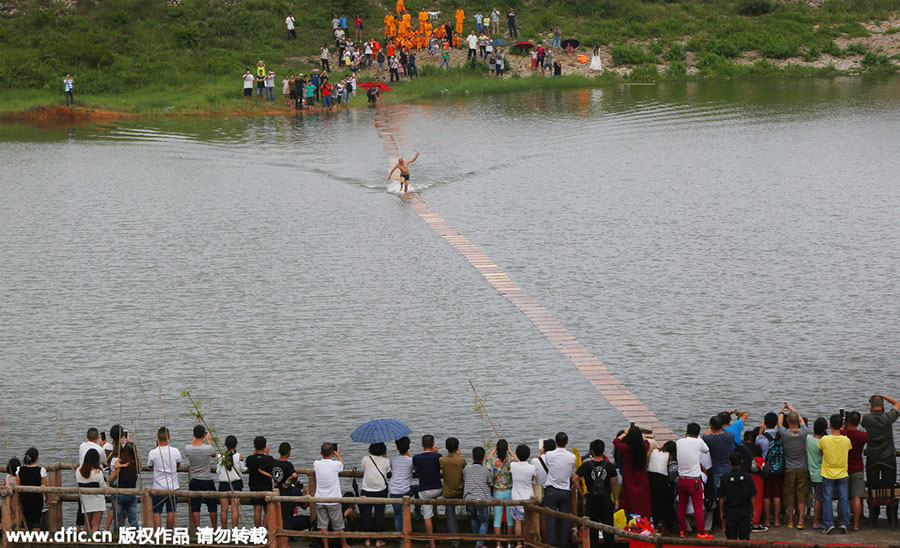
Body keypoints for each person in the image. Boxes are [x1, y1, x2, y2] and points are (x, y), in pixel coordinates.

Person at [861, 394, 899, 521]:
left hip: (872, 456)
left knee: (872, 486)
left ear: (871, 406)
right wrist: (884, 396)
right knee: (890, 486)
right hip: (888, 456)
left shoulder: (866, 418)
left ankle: (873, 514)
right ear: (882, 405)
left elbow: (864, 424)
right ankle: (891, 516)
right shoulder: (888, 418)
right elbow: (898, 404)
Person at [574, 440, 617, 548]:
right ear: (603, 450)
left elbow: (574, 478)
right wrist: (616, 499)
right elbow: (613, 485)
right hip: (606, 499)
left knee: (592, 528)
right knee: (608, 528)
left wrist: (582, 492)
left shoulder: (587, 465)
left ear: (591, 451)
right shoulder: (609, 466)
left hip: (592, 499)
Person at [676, 423, 712, 539]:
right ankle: (701, 532)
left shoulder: (679, 442)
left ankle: (683, 530)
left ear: (686, 432)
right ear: (697, 434)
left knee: (681, 506)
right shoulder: (698, 441)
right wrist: (699, 438)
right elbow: (706, 450)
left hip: (682, 479)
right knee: (698, 507)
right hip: (694, 481)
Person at [775, 404, 808, 530]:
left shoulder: (784, 433)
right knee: (801, 495)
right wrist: (793, 409)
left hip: (789, 468)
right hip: (802, 468)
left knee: (789, 495)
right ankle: (800, 520)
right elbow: (802, 421)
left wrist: (781, 412)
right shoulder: (804, 432)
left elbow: (779, 424)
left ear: (787, 421)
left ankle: (790, 520)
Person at [314, 443, 352, 548]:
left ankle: (326, 546)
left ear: (321, 452)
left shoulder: (316, 463)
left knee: (323, 525)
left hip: (320, 499)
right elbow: (342, 465)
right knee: (339, 525)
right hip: (333, 500)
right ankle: (344, 544)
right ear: (332, 453)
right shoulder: (335, 465)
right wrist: (338, 455)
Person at [819, 414, 851, 534]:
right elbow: (848, 449)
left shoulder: (824, 439)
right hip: (842, 473)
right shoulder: (846, 440)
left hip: (827, 473)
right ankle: (844, 523)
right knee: (843, 499)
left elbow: (821, 451)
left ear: (830, 425)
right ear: (842, 426)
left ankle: (829, 524)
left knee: (827, 499)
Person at [543, 432, 576, 548]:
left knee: (550, 518)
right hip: (565, 490)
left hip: (551, 490)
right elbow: (571, 470)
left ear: (556, 442)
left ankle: (551, 544)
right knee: (565, 518)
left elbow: (548, 465)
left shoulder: (549, 455)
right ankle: (565, 543)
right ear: (567, 442)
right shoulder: (572, 457)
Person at [185, 425, 218, 535]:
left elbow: (191, 446)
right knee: (212, 506)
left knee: (195, 506)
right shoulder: (208, 448)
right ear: (204, 435)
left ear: (193, 435)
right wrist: (208, 440)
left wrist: (197, 438)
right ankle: (214, 529)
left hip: (194, 480)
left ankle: (198, 529)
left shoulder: (187, 448)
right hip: (207, 479)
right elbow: (214, 455)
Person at [613, 425, 652, 518]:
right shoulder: (644, 447)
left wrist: (625, 433)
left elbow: (615, 442)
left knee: (628, 500)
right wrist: (641, 434)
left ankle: (630, 518)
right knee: (643, 500)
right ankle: (643, 517)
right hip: (642, 478)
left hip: (628, 477)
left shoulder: (625, 448)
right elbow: (646, 441)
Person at [717, 452, 755, 540]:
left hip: (730, 512)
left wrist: (721, 512)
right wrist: (754, 510)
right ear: (741, 461)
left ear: (729, 463)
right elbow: (752, 495)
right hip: (744, 510)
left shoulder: (724, 478)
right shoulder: (747, 477)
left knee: (731, 538)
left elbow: (721, 497)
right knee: (745, 538)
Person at [148, 427, 181, 530]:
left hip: (158, 487)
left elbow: (150, 465)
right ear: (169, 437)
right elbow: (178, 465)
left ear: (157, 438)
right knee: (171, 511)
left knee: (156, 511)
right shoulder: (175, 451)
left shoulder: (153, 452)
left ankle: (158, 533)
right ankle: (169, 532)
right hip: (172, 486)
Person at [413, 435, 442, 548]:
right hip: (438, 489)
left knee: (427, 516)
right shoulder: (438, 456)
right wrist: (436, 453)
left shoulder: (417, 458)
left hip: (425, 491)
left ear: (422, 445)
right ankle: (437, 531)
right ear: (433, 444)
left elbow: (415, 469)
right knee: (433, 505)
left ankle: (432, 542)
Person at [839, 411, 867, 531]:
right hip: (857, 468)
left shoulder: (842, 433)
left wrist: (842, 425)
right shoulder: (863, 436)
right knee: (857, 497)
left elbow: (837, 433)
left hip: (843, 468)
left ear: (847, 421)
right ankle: (856, 525)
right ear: (859, 422)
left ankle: (841, 522)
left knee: (843, 497)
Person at [360, 442, 391, 547]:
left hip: (366, 490)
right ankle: (379, 540)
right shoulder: (386, 461)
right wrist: (385, 457)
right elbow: (388, 470)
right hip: (381, 490)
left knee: (366, 515)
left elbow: (363, 467)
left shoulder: (365, 459)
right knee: (379, 515)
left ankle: (367, 540)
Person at [755, 412, 782, 528]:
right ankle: (776, 520)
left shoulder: (760, 438)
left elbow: (757, 450)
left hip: (766, 469)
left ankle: (766, 520)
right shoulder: (780, 435)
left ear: (764, 423)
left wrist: (761, 432)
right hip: (779, 467)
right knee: (776, 494)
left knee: (766, 495)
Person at [464, 447, 492, 548]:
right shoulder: (486, 469)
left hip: (469, 498)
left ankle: (478, 542)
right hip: (482, 499)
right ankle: (479, 544)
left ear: (472, 457)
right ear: (483, 458)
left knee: (473, 519)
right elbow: (489, 483)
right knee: (484, 521)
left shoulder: (467, 468)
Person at [440, 438, 466, 548]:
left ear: (446, 448)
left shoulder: (442, 460)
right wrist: (459, 456)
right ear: (457, 448)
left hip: (448, 493)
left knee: (451, 517)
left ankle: (455, 542)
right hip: (460, 491)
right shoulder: (461, 460)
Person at [271, 443, 298, 548]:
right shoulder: (288, 465)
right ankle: (285, 545)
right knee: (286, 520)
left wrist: (275, 480)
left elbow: (262, 470)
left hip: (276, 492)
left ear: (278, 451)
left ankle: (276, 542)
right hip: (286, 494)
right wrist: (287, 482)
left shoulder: (274, 463)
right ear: (289, 452)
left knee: (277, 519)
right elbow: (294, 475)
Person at [217, 435, 246, 529]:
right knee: (235, 510)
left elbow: (218, 471)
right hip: (236, 484)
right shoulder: (239, 456)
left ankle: (224, 530)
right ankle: (235, 530)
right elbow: (243, 469)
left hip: (223, 484)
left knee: (224, 510)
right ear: (236, 445)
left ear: (225, 445)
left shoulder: (220, 456)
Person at [487, 440, 513, 547]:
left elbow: (487, 462)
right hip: (509, 491)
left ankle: (498, 544)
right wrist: (510, 451)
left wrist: (493, 450)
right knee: (510, 520)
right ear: (506, 448)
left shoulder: (493, 460)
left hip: (497, 491)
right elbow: (518, 460)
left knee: (497, 520)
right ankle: (509, 543)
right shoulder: (510, 460)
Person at [648, 440, 676, 534]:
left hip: (650, 478)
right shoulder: (669, 455)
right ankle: (664, 527)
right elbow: (672, 473)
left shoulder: (655, 451)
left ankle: (655, 526)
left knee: (654, 503)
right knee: (666, 504)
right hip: (662, 479)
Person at [246, 436, 275, 528]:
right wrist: (268, 453)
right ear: (265, 446)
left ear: (254, 446)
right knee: (267, 509)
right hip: (266, 486)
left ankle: (257, 531)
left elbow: (250, 463)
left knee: (257, 509)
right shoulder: (269, 459)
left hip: (254, 486)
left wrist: (254, 453)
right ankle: (266, 531)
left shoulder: (250, 459)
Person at [109, 443, 138, 530]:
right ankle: (136, 536)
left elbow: (111, 479)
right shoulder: (136, 465)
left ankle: (117, 537)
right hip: (131, 493)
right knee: (133, 519)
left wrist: (119, 466)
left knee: (118, 519)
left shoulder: (120, 464)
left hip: (119, 494)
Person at [16, 448, 47, 531]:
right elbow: (44, 486)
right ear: (36, 458)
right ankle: (36, 540)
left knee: (25, 520)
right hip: (37, 499)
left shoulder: (20, 470)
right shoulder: (41, 470)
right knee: (36, 521)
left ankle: (23, 540)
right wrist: (47, 498)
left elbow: (17, 485)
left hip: (23, 499)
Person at [76, 448, 106, 533]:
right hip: (97, 501)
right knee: (95, 525)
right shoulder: (98, 472)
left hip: (85, 501)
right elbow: (103, 487)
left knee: (87, 525)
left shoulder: (78, 471)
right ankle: (94, 542)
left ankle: (86, 540)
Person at [389, 436, 414, 534]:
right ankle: (417, 511)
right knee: (417, 489)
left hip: (393, 491)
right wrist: (409, 455)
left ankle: (400, 539)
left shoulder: (392, 460)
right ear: (409, 447)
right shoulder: (411, 461)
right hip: (405, 491)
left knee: (397, 515)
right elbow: (415, 468)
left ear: (397, 447)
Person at [509, 445, 535, 539]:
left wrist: (509, 451)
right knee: (528, 521)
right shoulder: (532, 468)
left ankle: (519, 543)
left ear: (517, 454)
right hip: (528, 497)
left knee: (517, 522)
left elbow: (516, 460)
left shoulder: (513, 465)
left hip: (516, 497)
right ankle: (528, 541)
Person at [806, 418, 827, 530]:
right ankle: (816, 522)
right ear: (824, 430)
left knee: (811, 496)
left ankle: (809, 515)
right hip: (820, 474)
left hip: (810, 471)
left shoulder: (808, 439)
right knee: (819, 499)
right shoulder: (822, 443)